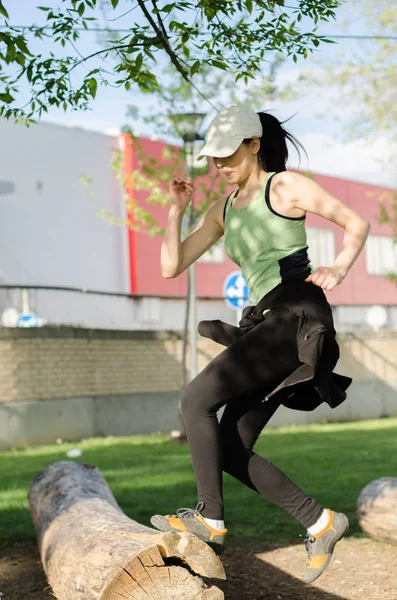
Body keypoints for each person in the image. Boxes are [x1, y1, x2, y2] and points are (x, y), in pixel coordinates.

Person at [150, 104, 370, 584]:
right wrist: (175, 211)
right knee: (225, 448)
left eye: (228, 154)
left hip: (296, 316)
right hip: (267, 325)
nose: (220, 165)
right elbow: (172, 265)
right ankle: (320, 521)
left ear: (254, 144)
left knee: (194, 400)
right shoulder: (224, 208)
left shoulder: (285, 186)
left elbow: (357, 223)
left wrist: (340, 268)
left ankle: (210, 520)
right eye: (213, 158)